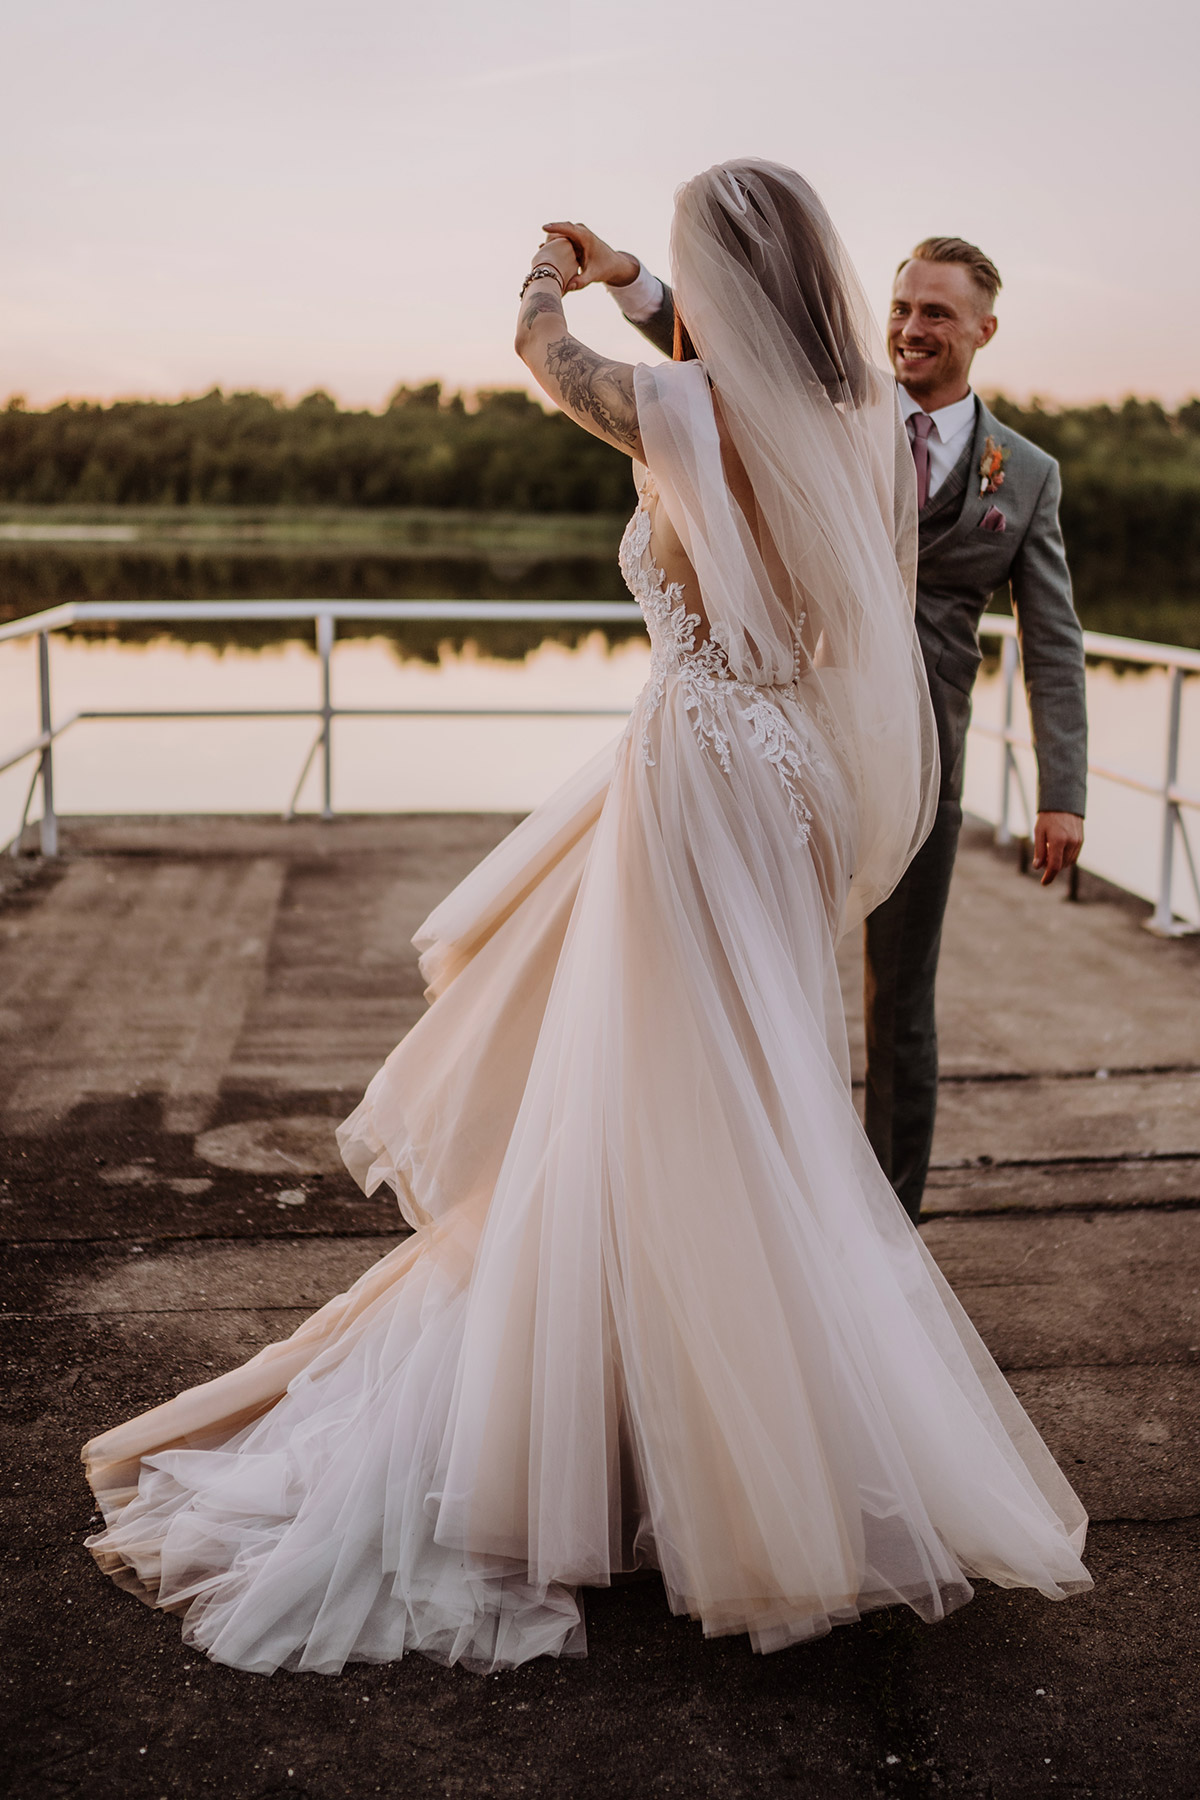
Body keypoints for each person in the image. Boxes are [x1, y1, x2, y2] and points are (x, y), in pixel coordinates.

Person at [82, 161, 1091, 1677]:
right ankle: (764, 1427)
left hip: (695, 773)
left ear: (722, 285)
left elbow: (544, 362)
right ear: (826, 288)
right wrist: (642, 281)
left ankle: (615, 1420)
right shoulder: (867, 425)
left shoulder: (677, 411)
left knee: (647, 1081)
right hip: (799, 777)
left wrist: (554, 281)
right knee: (762, 1084)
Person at [552, 221, 1088, 1224]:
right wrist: (627, 278)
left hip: (917, 770)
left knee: (900, 1005)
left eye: (935, 312)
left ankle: (889, 1231)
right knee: (757, 981)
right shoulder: (833, 415)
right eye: (899, 307)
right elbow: (727, 348)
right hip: (788, 744)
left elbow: (1053, 641)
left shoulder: (1030, 475)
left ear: (983, 328)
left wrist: (1064, 796)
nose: (910, 327)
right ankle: (750, 1213)